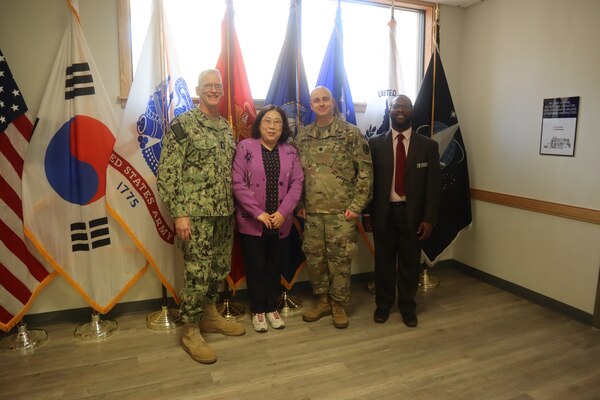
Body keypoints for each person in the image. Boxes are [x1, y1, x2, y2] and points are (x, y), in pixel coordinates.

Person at [157, 69, 245, 365]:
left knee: (218, 269)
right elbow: (168, 173)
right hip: (195, 216)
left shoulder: (224, 128)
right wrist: (179, 213)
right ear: (198, 90)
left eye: (217, 86)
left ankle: (210, 315)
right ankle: (191, 330)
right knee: (197, 273)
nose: (213, 90)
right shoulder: (183, 125)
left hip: (223, 212)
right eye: (207, 85)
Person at [296, 86, 373, 329]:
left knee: (340, 260)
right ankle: (322, 300)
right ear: (311, 105)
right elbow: (295, 174)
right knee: (315, 259)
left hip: (342, 212)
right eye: (316, 100)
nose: (321, 103)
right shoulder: (303, 136)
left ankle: (339, 303)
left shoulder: (351, 133)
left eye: (325, 99)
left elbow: (365, 172)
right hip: (312, 212)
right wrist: (298, 203)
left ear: (332, 103)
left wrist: (357, 206)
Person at [363, 95, 441, 328]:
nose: (400, 110)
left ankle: (408, 306)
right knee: (384, 262)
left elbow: (433, 187)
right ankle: (383, 305)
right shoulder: (375, 144)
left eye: (404, 107)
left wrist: (428, 219)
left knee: (409, 263)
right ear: (390, 111)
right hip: (383, 214)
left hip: (413, 215)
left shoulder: (428, 146)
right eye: (396, 106)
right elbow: (367, 182)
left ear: (411, 111)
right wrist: (366, 213)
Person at [232, 105, 304, 333]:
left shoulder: (291, 151)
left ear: (283, 127)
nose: (272, 126)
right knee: (256, 267)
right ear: (259, 124)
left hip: (280, 222)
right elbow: (238, 183)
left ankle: (272, 307)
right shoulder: (245, 147)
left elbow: (297, 184)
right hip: (253, 221)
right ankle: (258, 310)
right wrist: (259, 213)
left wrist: (282, 213)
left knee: (275, 267)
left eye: (277, 122)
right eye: (267, 121)